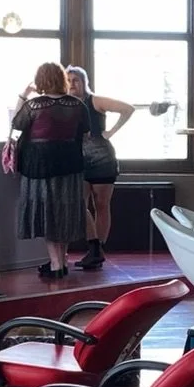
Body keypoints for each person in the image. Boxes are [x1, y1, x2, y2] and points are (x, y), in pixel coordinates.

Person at [7, 63, 91, 279]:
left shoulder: (34, 105)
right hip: (70, 166)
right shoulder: (78, 105)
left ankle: (56, 264)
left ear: (41, 80)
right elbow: (85, 134)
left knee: (48, 213)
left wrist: (23, 95)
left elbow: (16, 124)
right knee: (64, 213)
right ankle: (62, 260)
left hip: (40, 166)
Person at [65, 65, 135, 270]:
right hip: (77, 160)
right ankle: (93, 246)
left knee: (101, 205)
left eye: (75, 80)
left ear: (84, 82)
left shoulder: (94, 100)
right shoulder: (66, 103)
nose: (72, 84)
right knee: (79, 203)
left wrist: (111, 131)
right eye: (68, 80)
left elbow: (127, 108)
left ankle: (98, 250)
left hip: (102, 158)